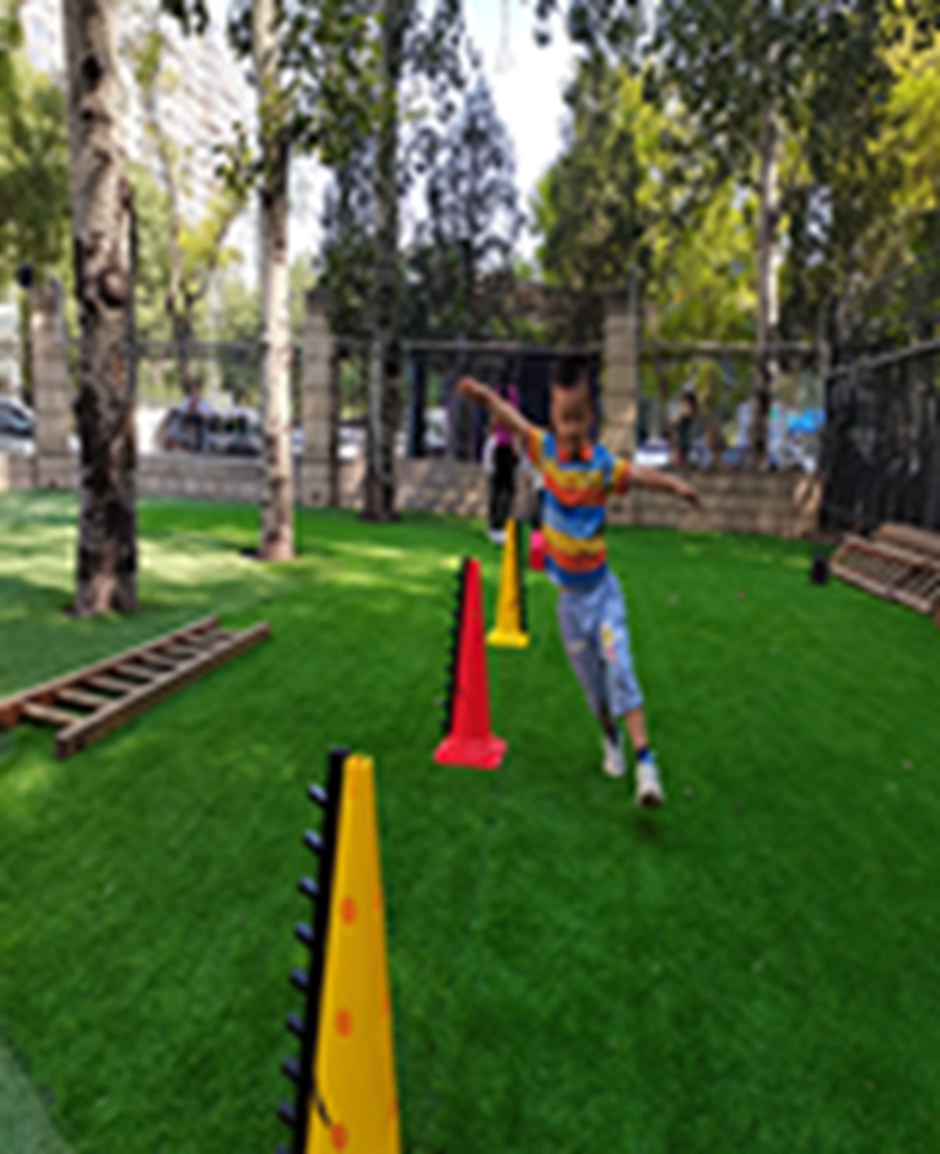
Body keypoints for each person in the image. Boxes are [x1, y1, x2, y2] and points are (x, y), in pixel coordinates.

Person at [457, 355, 701, 808]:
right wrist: (486, 397)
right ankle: (611, 737)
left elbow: (638, 474)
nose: (570, 428)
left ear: (592, 416)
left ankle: (646, 766)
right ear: (553, 415)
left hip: (602, 595)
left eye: (578, 418)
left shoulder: (601, 466)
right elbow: (513, 420)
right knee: (594, 691)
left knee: (620, 668)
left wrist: (675, 486)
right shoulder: (544, 452)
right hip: (569, 605)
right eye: (563, 417)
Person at [488, 363, 521, 544]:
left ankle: (494, 525)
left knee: (497, 487)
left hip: (498, 445)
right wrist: (517, 445)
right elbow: (514, 421)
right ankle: (501, 524)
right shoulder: (512, 393)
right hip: (507, 446)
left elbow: (493, 423)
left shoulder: (496, 394)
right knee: (508, 488)